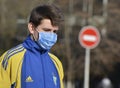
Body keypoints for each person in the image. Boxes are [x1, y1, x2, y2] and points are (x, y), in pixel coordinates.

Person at [0, 4, 64, 88]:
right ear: (31, 28)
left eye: (54, 31)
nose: (51, 35)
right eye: (47, 30)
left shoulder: (56, 63)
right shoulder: (10, 59)